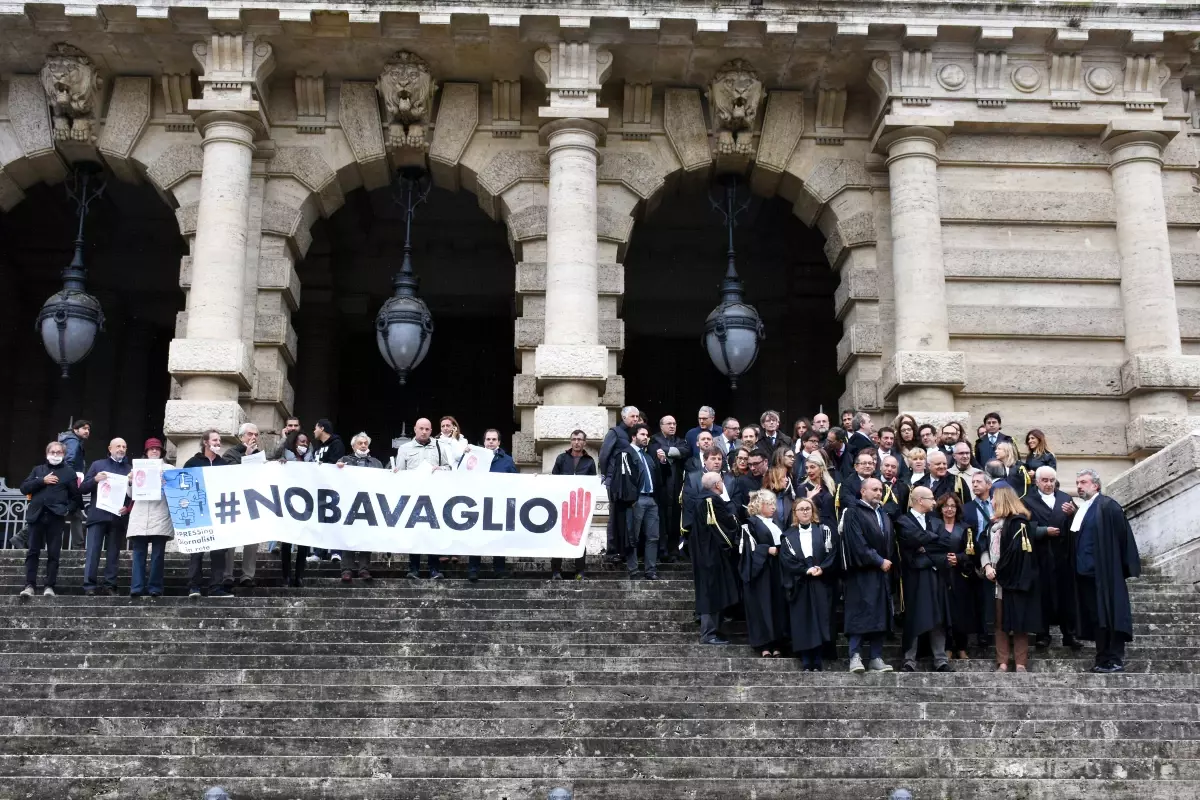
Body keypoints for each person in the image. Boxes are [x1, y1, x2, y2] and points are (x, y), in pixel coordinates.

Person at [1065, 468, 1140, 673]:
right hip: (1086, 576)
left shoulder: (1109, 506)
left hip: (1106, 574)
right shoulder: (1082, 509)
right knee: (1098, 619)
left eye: (1083, 482)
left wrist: (1117, 568)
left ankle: (1114, 659)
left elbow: (1122, 538)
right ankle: (1101, 658)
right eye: (1078, 482)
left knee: (1111, 615)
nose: (1079, 486)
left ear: (1095, 485)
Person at [981, 486, 1059, 672]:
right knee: (999, 623)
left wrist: (998, 570)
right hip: (996, 582)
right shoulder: (991, 526)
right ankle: (1002, 662)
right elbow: (982, 547)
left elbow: (1015, 554)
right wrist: (987, 566)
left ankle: (1021, 663)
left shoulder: (1018, 523)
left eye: (994, 499)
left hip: (1015, 581)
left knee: (1019, 622)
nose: (991, 502)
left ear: (1002, 501)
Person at [840, 477, 895, 673]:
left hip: (881, 574)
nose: (879, 493)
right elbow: (856, 542)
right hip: (861, 573)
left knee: (879, 615)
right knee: (859, 615)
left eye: (880, 490)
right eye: (874, 489)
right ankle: (855, 656)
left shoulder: (883, 514)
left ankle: (876, 657)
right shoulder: (853, 512)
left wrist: (884, 563)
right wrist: (879, 560)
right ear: (863, 491)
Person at [895, 487, 952, 673]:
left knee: (938, 616)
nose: (935, 502)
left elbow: (945, 544)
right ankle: (909, 660)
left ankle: (940, 659)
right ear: (920, 500)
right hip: (914, 578)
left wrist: (924, 549)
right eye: (931, 499)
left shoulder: (936, 521)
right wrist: (930, 545)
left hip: (936, 576)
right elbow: (910, 543)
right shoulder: (903, 521)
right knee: (915, 617)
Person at [1025, 466, 1081, 651]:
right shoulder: (1027, 501)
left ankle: (1069, 634)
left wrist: (1072, 513)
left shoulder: (1065, 498)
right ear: (1037, 481)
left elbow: (1079, 523)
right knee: (1042, 595)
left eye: (1051, 481)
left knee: (1067, 595)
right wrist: (1042, 531)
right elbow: (1021, 527)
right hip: (1040, 556)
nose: (1048, 484)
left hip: (1062, 555)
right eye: (1045, 480)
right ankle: (1043, 634)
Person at [779, 497, 836, 670]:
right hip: (800, 583)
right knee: (801, 620)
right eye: (801, 509)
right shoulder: (788, 536)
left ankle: (817, 658)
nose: (805, 512)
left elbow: (832, 553)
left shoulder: (823, 531)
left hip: (820, 582)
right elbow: (786, 559)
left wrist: (822, 568)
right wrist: (805, 570)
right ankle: (805, 659)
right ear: (795, 513)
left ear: (813, 511)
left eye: (808, 508)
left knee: (819, 619)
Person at [18, 440, 80, 598]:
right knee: (33, 552)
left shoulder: (69, 472)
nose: (55, 454)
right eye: (52, 452)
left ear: (64, 455)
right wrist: (42, 481)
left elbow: (76, 498)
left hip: (56, 518)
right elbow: (24, 488)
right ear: (47, 454)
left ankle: (49, 586)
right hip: (36, 516)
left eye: (59, 452)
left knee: (54, 553)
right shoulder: (38, 470)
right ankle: (29, 585)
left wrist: (67, 509)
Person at [396, 418, 454, 580]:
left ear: (431, 430)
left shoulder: (439, 447)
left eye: (427, 429)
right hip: (413, 497)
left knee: (433, 533)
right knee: (414, 533)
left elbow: (449, 468)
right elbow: (400, 473)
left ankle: (434, 569)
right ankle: (413, 569)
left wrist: (439, 468)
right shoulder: (404, 448)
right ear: (415, 429)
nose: (424, 432)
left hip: (434, 497)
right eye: (421, 428)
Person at [691, 471, 741, 645]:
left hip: (704, 553)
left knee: (713, 591)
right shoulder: (711, 501)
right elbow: (721, 527)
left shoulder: (699, 499)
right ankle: (709, 633)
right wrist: (732, 542)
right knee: (712, 592)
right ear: (717, 485)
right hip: (713, 554)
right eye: (721, 481)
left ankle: (713, 632)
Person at [182, 430, 234, 598]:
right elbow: (183, 486)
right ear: (205, 442)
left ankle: (216, 587)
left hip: (219, 512)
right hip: (198, 513)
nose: (218, 443)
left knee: (219, 551)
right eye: (215, 440)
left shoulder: (224, 464)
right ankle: (194, 586)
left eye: (219, 440)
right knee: (197, 550)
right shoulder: (192, 463)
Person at [79, 438, 133, 596]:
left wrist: (127, 507)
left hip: (118, 517)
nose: (121, 449)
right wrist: (95, 479)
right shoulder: (98, 465)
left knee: (113, 554)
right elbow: (82, 488)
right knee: (93, 552)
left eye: (124, 446)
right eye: (118, 446)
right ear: (110, 448)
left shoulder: (129, 469)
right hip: (98, 516)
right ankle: (89, 586)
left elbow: (133, 495)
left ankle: (110, 585)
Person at [741, 490, 790, 658]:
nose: (774, 508)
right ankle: (764, 645)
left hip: (776, 570)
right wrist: (766, 549)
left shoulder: (774, 523)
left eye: (774, 505)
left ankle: (777, 643)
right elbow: (746, 549)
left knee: (776, 604)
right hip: (761, 571)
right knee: (762, 605)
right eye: (770, 504)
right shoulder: (751, 523)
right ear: (760, 505)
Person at [465, 429, 517, 582]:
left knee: (498, 537)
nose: (491, 442)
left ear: (499, 442)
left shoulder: (507, 460)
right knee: (476, 538)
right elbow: (463, 475)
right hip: (477, 504)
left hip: (498, 505)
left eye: (494, 439)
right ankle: (473, 570)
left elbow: (516, 482)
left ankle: (499, 569)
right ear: (484, 441)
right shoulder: (474, 458)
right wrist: (465, 455)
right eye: (488, 439)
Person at [125, 438, 174, 599]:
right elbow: (131, 495)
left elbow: (174, 492)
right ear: (146, 452)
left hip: (160, 515)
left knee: (158, 555)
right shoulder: (136, 468)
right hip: (140, 516)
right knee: (138, 554)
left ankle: (155, 587)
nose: (154, 451)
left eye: (157, 449)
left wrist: (166, 482)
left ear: (161, 452)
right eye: (151, 449)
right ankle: (137, 587)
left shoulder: (169, 469)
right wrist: (130, 481)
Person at [615, 423, 664, 580]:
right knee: (632, 537)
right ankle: (633, 570)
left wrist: (662, 462)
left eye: (647, 435)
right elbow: (623, 480)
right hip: (636, 501)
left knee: (653, 536)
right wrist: (631, 500)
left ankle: (651, 570)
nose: (646, 438)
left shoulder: (648, 455)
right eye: (642, 435)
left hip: (651, 500)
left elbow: (658, 478)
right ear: (634, 437)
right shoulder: (626, 454)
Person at [334, 432, 382, 582]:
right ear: (353, 446)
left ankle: (364, 569)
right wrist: (337, 468)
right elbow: (333, 478)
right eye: (360, 443)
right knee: (348, 536)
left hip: (369, 505)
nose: (363, 445)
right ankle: (346, 569)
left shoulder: (376, 463)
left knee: (365, 537)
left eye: (365, 443)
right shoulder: (344, 461)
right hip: (349, 504)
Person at [935, 493, 978, 661]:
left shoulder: (966, 528)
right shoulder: (935, 527)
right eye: (946, 506)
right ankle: (947, 648)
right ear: (940, 508)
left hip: (960, 576)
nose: (949, 509)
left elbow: (972, 553)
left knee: (961, 612)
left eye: (953, 506)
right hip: (941, 575)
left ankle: (961, 647)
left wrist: (958, 558)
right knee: (944, 613)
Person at [551, 430, 596, 580]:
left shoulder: (590, 461)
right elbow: (553, 481)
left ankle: (580, 572)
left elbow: (592, 486)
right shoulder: (561, 458)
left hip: (580, 507)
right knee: (559, 538)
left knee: (580, 538)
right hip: (562, 505)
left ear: (584, 442)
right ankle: (556, 571)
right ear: (571, 441)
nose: (576, 442)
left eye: (579, 439)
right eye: (574, 439)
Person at [223, 422, 262, 588]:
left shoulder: (260, 455)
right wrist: (246, 456)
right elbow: (231, 474)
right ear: (241, 437)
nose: (253, 437)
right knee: (230, 539)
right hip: (233, 500)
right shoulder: (230, 453)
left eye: (256, 435)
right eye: (249, 434)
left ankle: (248, 575)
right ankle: (227, 575)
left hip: (253, 501)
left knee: (252, 539)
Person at [599, 406, 639, 560]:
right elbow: (604, 455)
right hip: (615, 481)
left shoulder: (633, 434)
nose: (635, 419)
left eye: (637, 416)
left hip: (629, 482)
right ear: (623, 417)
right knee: (614, 515)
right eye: (632, 416)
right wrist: (606, 475)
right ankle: (612, 550)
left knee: (626, 516)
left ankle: (623, 550)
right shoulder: (615, 432)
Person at [652, 415, 691, 563]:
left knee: (675, 518)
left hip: (676, 486)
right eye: (669, 423)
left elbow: (685, 451)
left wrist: (666, 451)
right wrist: (675, 453)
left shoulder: (680, 440)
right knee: (661, 520)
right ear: (661, 426)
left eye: (674, 423)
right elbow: (655, 451)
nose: (672, 426)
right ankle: (662, 551)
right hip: (661, 487)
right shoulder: (654, 439)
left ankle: (673, 550)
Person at [58, 419, 90, 549]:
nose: (87, 431)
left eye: (88, 429)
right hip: (69, 482)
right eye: (84, 428)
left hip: (66, 480)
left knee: (75, 512)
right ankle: (22, 536)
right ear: (76, 430)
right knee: (52, 511)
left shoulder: (70, 440)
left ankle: (78, 545)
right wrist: (71, 480)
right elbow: (69, 460)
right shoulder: (73, 441)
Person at [795, 453, 836, 530]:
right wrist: (809, 498)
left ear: (821, 468)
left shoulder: (831, 485)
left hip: (832, 528)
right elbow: (798, 512)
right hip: (814, 529)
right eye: (807, 468)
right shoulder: (802, 488)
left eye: (812, 467)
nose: (809, 471)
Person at [834, 450, 876, 522]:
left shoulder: (878, 482)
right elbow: (848, 502)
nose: (868, 466)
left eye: (870, 463)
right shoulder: (846, 484)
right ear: (856, 467)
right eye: (864, 463)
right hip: (856, 520)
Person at [762, 447, 796, 529]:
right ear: (780, 456)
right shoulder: (770, 474)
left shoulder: (791, 475)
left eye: (793, 457)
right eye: (789, 456)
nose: (793, 459)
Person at [879, 454, 910, 523]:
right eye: (886, 465)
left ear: (897, 470)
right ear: (880, 467)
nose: (889, 469)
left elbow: (904, 509)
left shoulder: (904, 487)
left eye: (893, 467)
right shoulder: (873, 483)